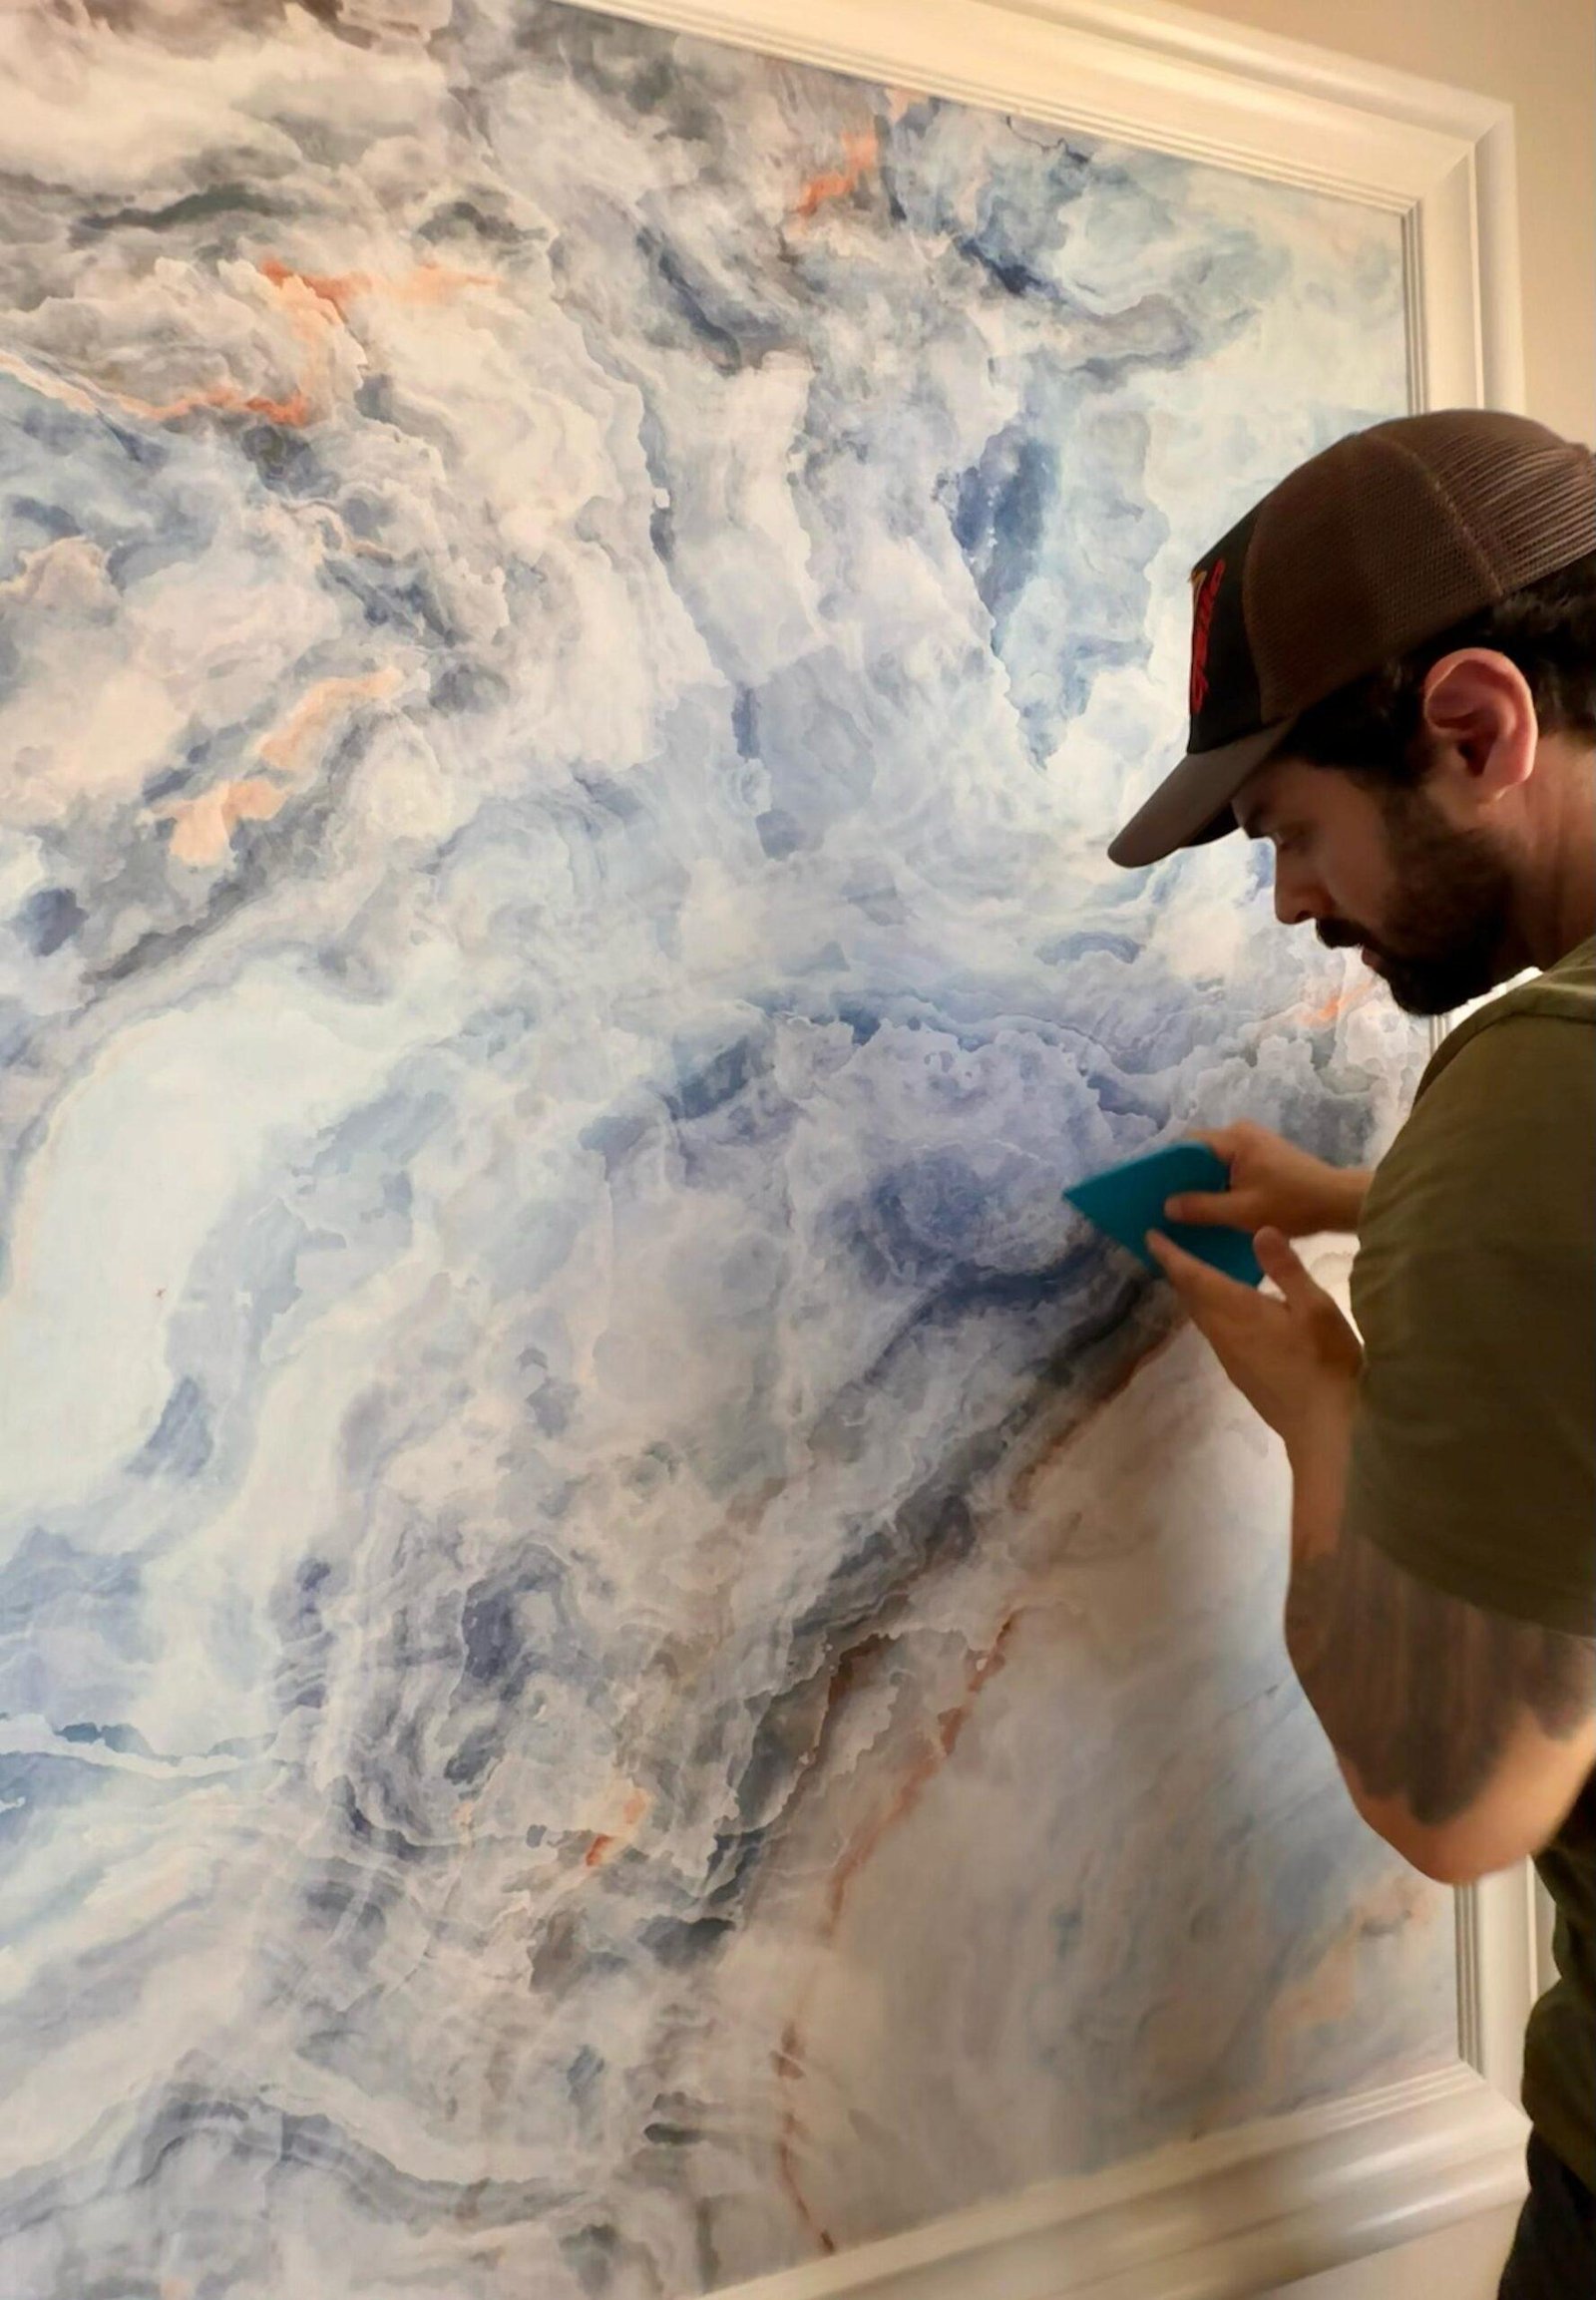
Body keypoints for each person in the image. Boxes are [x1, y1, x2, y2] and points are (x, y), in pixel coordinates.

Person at [1108, 410, 1595, 2298]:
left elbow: (1451, 1786)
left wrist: (1324, 1398)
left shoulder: (1536, 1092)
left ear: (1475, 727)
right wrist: (1377, 1200)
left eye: (1292, 829)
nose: (1296, 903)